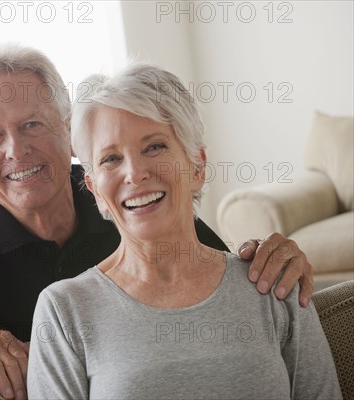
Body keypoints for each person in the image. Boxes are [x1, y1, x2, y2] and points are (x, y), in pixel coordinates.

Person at [0, 45, 316, 400]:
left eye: (32, 125)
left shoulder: (123, 195)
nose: (16, 151)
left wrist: (274, 257)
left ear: (68, 130)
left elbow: (220, 271)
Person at [27, 62, 341, 399]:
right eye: (111, 159)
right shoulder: (64, 310)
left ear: (197, 166)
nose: (135, 173)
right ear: (95, 190)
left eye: (154, 147)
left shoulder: (274, 283)